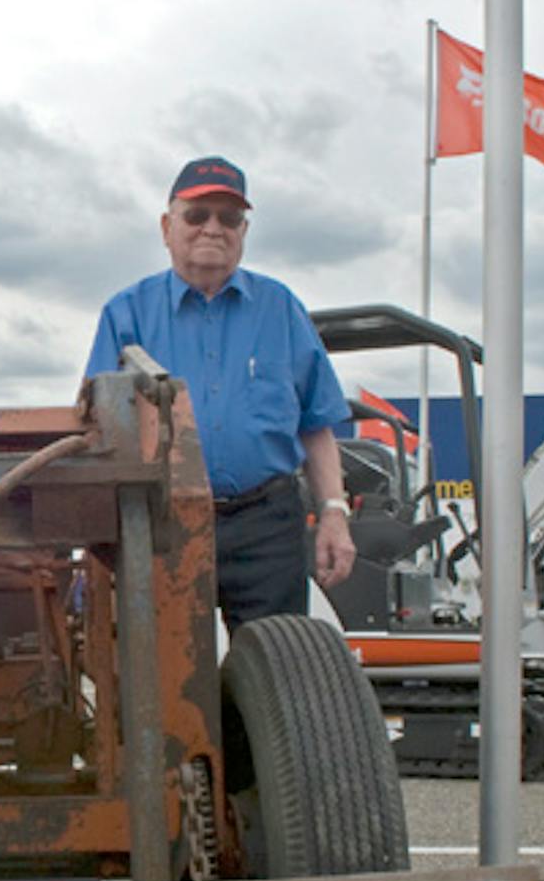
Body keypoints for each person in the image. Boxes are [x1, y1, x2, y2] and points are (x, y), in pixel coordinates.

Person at [84, 156, 355, 629]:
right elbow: (98, 432)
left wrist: (334, 513)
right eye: (197, 215)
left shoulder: (282, 310)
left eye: (228, 218)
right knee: (162, 680)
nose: (213, 228)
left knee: (277, 675)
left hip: (266, 526)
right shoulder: (126, 315)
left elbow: (316, 425)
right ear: (167, 226)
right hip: (159, 524)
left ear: (243, 232)